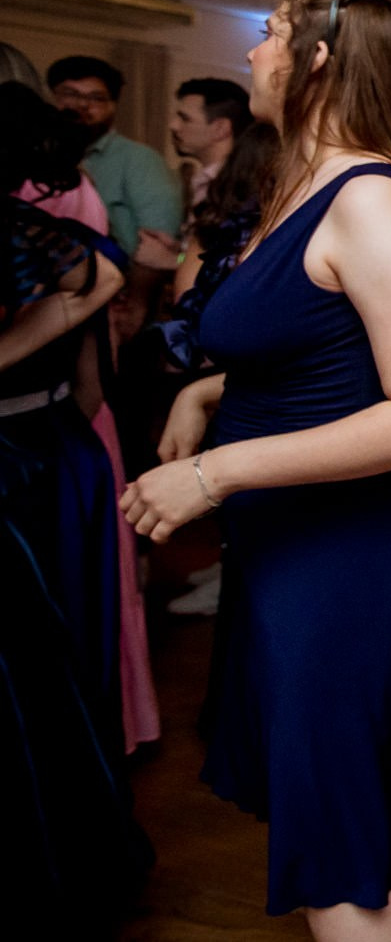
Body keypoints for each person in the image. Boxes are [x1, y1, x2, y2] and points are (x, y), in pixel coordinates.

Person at [119, 0, 391, 936]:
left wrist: (212, 472)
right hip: (294, 548)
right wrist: (207, 393)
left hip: (354, 562)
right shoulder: (307, 183)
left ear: (319, 60)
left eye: (270, 33)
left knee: (342, 851)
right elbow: (317, 346)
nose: (252, 53)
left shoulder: (371, 201)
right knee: (328, 820)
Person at [2, 80, 151, 934]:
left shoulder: (42, 235)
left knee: (39, 662)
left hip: (32, 455)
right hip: (47, 444)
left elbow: (101, 275)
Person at [46, 55, 183, 338]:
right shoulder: (39, 157)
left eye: (96, 98)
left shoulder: (139, 161)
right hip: (45, 306)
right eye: (70, 94)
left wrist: (135, 310)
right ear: (51, 96)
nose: (82, 105)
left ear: (113, 106)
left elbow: (154, 246)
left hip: (111, 309)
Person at [169, 75, 252, 235]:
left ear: (220, 128)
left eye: (185, 119)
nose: (173, 125)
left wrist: (166, 260)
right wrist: (177, 254)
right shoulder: (207, 181)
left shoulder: (235, 191)